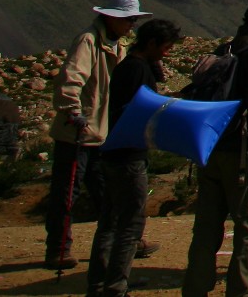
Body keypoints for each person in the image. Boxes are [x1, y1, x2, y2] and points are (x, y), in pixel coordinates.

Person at [180, 0, 248, 297]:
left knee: (206, 226)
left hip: (212, 143)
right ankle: (240, 291)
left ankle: (195, 288)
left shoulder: (226, 48)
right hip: (243, 150)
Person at [46, 0, 150, 270]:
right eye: (128, 20)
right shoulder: (89, 41)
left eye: (133, 20)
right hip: (78, 133)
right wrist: (72, 111)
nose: (132, 25)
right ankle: (58, 248)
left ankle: (124, 242)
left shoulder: (118, 46)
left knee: (109, 193)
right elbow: (72, 77)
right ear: (112, 19)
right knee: (68, 193)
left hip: (102, 133)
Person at [86, 16, 181, 297]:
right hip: (130, 155)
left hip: (112, 150)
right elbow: (140, 111)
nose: (168, 51)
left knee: (110, 221)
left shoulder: (128, 66)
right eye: (165, 46)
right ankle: (116, 286)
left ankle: (99, 282)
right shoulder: (138, 70)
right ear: (151, 43)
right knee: (130, 224)